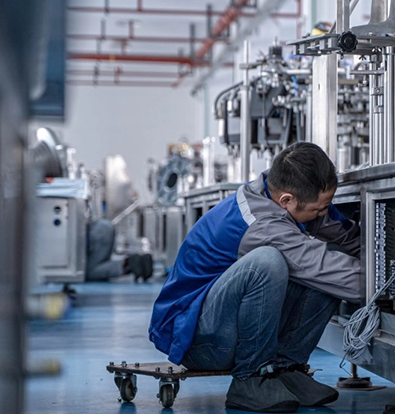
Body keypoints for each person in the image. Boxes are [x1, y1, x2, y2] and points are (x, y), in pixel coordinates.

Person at [148, 142, 361, 413]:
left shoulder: (282, 195)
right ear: (286, 200)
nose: (324, 213)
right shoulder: (260, 223)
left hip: (225, 324)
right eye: (319, 209)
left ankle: (287, 370)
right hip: (197, 341)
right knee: (269, 263)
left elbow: (343, 234)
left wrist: (381, 255)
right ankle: (250, 378)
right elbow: (336, 274)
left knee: (327, 266)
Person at [85, 218, 153, 282]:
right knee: (99, 264)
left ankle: (128, 264)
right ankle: (141, 261)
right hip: (103, 224)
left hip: (94, 234)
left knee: (90, 272)